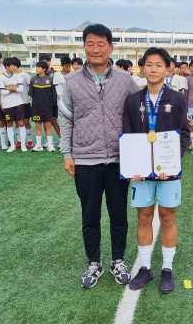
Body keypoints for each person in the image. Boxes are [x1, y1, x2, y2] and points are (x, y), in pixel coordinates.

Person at [60, 23, 140, 289]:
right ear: (84, 47)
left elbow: (142, 107)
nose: (95, 49)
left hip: (119, 160)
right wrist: (67, 154)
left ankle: (118, 260)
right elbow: (67, 119)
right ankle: (94, 262)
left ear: (111, 47)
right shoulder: (71, 81)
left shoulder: (124, 79)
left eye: (101, 44)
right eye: (90, 44)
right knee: (90, 215)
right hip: (85, 159)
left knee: (119, 215)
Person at [123, 47, 190, 294]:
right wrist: (133, 165)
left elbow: (184, 134)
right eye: (149, 64)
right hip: (141, 172)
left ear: (167, 68)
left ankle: (167, 268)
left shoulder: (178, 99)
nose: (153, 69)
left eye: (159, 64)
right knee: (143, 217)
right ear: (142, 68)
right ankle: (145, 267)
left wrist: (173, 163)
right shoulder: (132, 101)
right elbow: (128, 136)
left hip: (168, 172)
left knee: (167, 217)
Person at [0, 58, 27, 153]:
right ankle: (12, 145)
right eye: (12, 65)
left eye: (15, 65)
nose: (14, 67)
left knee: (21, 123)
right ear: (6, 66)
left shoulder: (18, 76)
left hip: (18, 103)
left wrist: (8, 87)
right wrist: (14, 88)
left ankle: (23, 144)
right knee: (9, 124)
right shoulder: (0, 77)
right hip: (7, 105)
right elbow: (3, 92)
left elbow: (21, 89)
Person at [29, 60, 56, 152]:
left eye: (39, 67)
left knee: (48, 124)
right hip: (36, 107)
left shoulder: (50, 79)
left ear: (44, 69)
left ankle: (50, 145)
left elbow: (53, 94)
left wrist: (51, 105)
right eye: (36, 66)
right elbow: (31, 93)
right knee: (37, 125)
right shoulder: (33, 79)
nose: (36, 68)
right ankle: (39, 145)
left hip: (48, 107)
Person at [15, 57, 34, 149]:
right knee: (17, 122)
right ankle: (19, 140)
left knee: (26, 121)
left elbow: (31, 88)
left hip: (25, 101)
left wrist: (29, 98)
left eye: (13, 65)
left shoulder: (25, 75)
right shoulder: (9, 76)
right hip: (14, 103)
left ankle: (29, 140)